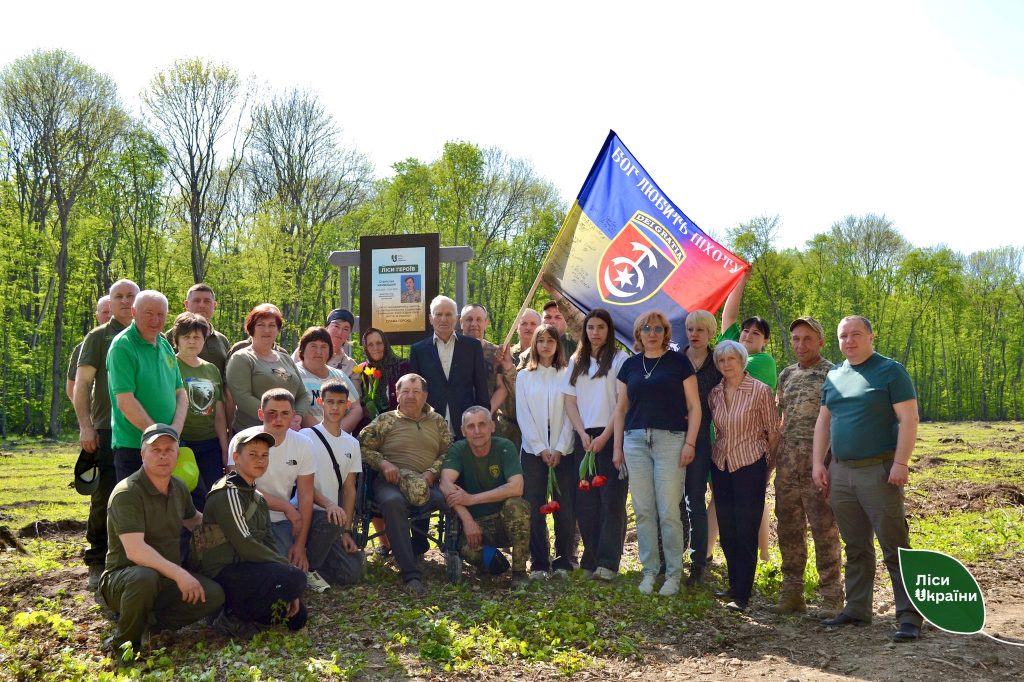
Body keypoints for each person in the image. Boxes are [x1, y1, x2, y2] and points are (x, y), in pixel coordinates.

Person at [812, 316, 924, 643]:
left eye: (856, 334)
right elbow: (824, 422)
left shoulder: (890, 371)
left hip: (879, 471)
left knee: (895, 546)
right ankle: (857, 608)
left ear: (871, 336)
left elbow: (909, 418)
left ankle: (909, 616)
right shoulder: (834, 375)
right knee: (856, 545)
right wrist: (818, 462)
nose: (849, 341)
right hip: (841, 472)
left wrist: (901, 462)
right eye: (843, 335)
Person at [97, 423, 224, 657]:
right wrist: (180, 574)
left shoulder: (179, 487)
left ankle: (152, 626)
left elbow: (194, 520)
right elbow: (135, 551)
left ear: (178, 454)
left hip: (165, 579)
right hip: (124, 578)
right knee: (145, 577)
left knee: (213, 594)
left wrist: (228, 528)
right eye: (155, 450)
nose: (163, 455)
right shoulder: (127, 493)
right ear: (142, 454)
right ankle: (125, 645)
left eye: (169, 449)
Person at [613, 311, 700, 596]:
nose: (652, 333)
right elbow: (621, 409)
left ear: (665, 333)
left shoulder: (679, 363)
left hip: (671, 441)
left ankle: (674, 574)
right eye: (646, 328)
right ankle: (650, 571)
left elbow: (694, 407)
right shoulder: (629, 365)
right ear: (638, 333)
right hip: (635, 441)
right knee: (644, 511)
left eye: (658, 328)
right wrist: (617, 448)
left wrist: (690, 443)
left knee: (668, 511)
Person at [194, 430, 308, 636]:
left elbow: (268, 541)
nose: (260, 460)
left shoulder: (257, 497)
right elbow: (246, 545)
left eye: (265, 455)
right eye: (253, 454)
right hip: (223, 571)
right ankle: (227, 616)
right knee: (295, 577)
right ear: (236, 458)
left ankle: (246, 611)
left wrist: (291, 589)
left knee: (298, 617)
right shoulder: (227, 493)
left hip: (248, 568)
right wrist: (287, 571)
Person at [228, 388, 339, 593]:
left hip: (287, 521)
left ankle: (309, 566)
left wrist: (301, 545)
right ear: (261, 414)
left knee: (329, 521)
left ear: (293, 416)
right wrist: (285, 506)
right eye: (272, 413)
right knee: (278, 573)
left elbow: (306, 494)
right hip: (252, 521)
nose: (278, 419)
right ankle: (294, 571)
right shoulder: (242, 440)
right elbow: (239, 489)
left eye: (285, 413)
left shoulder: (303, 444)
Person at [772, 316, 843, 616]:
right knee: (788, 527)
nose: (801, 345)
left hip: (820, 461)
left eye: (808, 339)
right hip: (787, 461)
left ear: (821, 342)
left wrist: (830, 461)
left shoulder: (834, 373)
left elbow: (839, 420)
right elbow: (781, 419)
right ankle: (792, 593)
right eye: (796, 339)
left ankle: (831, 597)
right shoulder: (786, 374)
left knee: (824, 528)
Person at [358, 374, 452, 595]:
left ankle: (458, 552)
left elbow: (450, 453)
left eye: (416, 391)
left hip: (427, 482)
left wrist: (432, 472)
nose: (410, 396)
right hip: (391, 482)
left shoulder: (437, 421)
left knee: (450, 499)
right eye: (405, 391)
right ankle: (410, 574)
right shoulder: (385, 420)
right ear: (397, 395)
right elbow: (360, 447)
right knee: (392, 502)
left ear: (425, 395)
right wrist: (383, 463)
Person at [74, 279, 139, 590]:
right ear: (110, 304)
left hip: (145, 430)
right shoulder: (99, 337)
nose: (125, 301)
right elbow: (82, 385)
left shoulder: (153, 335)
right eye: (119, 297)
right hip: (107, 428)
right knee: (106, 495)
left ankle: (138, 556)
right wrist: (86, 426)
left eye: (131, 296)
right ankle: (98, 559)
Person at [708, 340, 780, 612]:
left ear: (742, 360)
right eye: (721, 360)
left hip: (750, 465)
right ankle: (733, 584)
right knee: (727, 528)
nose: (726, 365)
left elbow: (773, 432)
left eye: (731, 359)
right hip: (721, 464)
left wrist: (767, 466)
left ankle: (744, 595)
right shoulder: (715, 393)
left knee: (746, 528)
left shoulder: (760, 391)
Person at [563, 309, 628, 581]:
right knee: (586, 502)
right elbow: (570, 401)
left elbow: (622, 404)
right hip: (584, 437)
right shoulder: (576, 360)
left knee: (611, 500)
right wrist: (581, 432)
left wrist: (605, 438)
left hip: (611, 435)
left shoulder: (619, 359)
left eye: (601, 327)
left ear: (608, 330)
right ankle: (590, 557)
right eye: (590, 327)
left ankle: (607, 562)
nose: (595, 332)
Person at [440, 406, 530, 587]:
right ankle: (492, 562)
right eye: (471, 426)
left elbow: (517, 487)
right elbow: (445, 484)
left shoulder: (505, 447)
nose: (477, 431)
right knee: (467, 551)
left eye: (482, 424)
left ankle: (519, 572)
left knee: (517, 506)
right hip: (476, 523)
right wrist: (466, 519)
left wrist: (472, 499)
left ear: (492, 426)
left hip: (504, 520)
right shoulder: (458, 449)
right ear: (463, 431)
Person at [107, 289, 187, 482]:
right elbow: (125, 401)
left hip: (168, 446)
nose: (155, 319)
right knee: (136, 509)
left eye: (160, 314)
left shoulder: (165, 345)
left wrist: (174, 431)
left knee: (174, 507)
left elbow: (181, 393)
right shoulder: (122, 346)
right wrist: (158, 436)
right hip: (135, 447)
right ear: (134, 312)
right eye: (148, 313)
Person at [516, 323, 576, 580]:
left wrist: (560, 448)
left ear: (557, 344)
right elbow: (524, 415)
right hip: (533, 450)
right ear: (534, 345)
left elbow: (572, 415)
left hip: (564, 449)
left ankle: (564, 560)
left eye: (551, 340)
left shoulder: (567, 374)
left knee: (565, 507)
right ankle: (540, 561)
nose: (546, 345)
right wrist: (541, 449)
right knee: (534, 505)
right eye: (541, 340)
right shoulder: (524, 376)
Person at [300, 380, 367, 586]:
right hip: (308, 513)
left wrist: (346, 531)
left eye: (340, 402)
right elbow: (303, 484)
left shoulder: (352, 443)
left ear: (348, 405)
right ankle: (308, 570)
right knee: (330, 519)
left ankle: (317, 564)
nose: (335, 407)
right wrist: (329, 505)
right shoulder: (305, 437)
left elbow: (349, 489)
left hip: (334, 518)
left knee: (352, 574)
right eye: (330, 402)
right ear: (320, 402)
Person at [408, 295, 489, 439]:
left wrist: (483, 422)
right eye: (438, 314)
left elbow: (481, 387)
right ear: (430, 319)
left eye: (448, 314)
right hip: (430, 425)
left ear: (456, 318)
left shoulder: (472, 347)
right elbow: (416, 391)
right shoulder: (418, 350)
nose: (443, 319)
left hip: (467, 425)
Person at [171, 312, 228, 509]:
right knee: (186, 498)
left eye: (197, 337)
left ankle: (208, 538)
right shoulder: (169, 365)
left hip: (210, 443)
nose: (192, 342)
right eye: (186, 337)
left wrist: (224, 447)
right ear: (176, 340)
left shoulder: (211, 369)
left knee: (212, 497)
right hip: (182, 442)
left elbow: (219, 412)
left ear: (204, 340)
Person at [227, 304, 314, 433]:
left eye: (272, 325)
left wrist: (297, 415)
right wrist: (279, 418)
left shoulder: (286, 358)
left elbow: (303, 395)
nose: (266, 330)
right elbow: (243, 397)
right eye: (261, 325)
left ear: (278, 330)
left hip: (288, 433)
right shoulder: (242, 358)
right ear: (251, 329)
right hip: (255, 436)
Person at [681, 309, 721, 586]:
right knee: (671, 499)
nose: (694, 334)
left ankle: (698, 562)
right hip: (671, 435)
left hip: (704, 437)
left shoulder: (719, 363)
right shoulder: (674, 360)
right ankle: (671, 556)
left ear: (710, 333)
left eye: (700, 330)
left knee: (694, 498)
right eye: (690, 329)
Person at [295, 326, 361, 433]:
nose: (319, 351)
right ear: (302, 350)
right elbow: (296, 409)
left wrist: (338, 432)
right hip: (306, 440)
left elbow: (356, 408)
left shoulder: (339, 376)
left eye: (324, 347)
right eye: (313, 346)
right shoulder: (294, 374)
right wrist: (324, 435)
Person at [495, 308, 542, 449]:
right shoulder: (503, 354)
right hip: (507, 427)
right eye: (524, 323)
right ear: (517, 327)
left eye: (533, 324)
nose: (528, 327)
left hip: (534, 428)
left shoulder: (545, 358)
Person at [458, 304, 512, 416]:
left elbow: (502, 388)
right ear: (461, 323)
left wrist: (486, 413)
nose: (474, 324)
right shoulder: (452, 351)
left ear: (486, 323)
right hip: (456, 417)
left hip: (487, 419)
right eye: (469, 319)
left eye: (479, 319)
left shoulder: (497, 353)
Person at [352, 326, 408, 433]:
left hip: (399, 427)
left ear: (385, 344)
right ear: (366, 348)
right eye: (370, 345)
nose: (375, 348)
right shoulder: (363, 370)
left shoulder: (402, 366)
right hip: (371, 429)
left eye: (379, 343)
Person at [67, 295, 111, 401]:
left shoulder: (133, 343)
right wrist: (86, 416)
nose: (110, 316)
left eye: (113, 312)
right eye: (105, 312)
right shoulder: (84, 347)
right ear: (97, 316)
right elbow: (72, 389)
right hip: (98, 415)